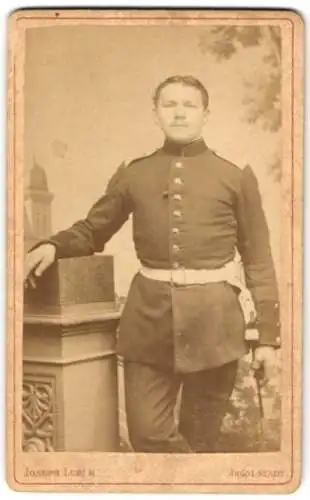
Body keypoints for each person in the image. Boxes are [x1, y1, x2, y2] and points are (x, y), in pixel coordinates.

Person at [24, 75, 280, 453]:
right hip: (148, 324)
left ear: (206, 114)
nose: (179, 113)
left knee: (202, 440)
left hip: (216, 327)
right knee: (147, 434)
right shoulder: (135, 173)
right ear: (156, 115)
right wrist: (51, 246)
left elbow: (259, 259)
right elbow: (93, 230)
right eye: (169, 105)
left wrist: (269, 340)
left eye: (189, 105)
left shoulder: (235, 176)